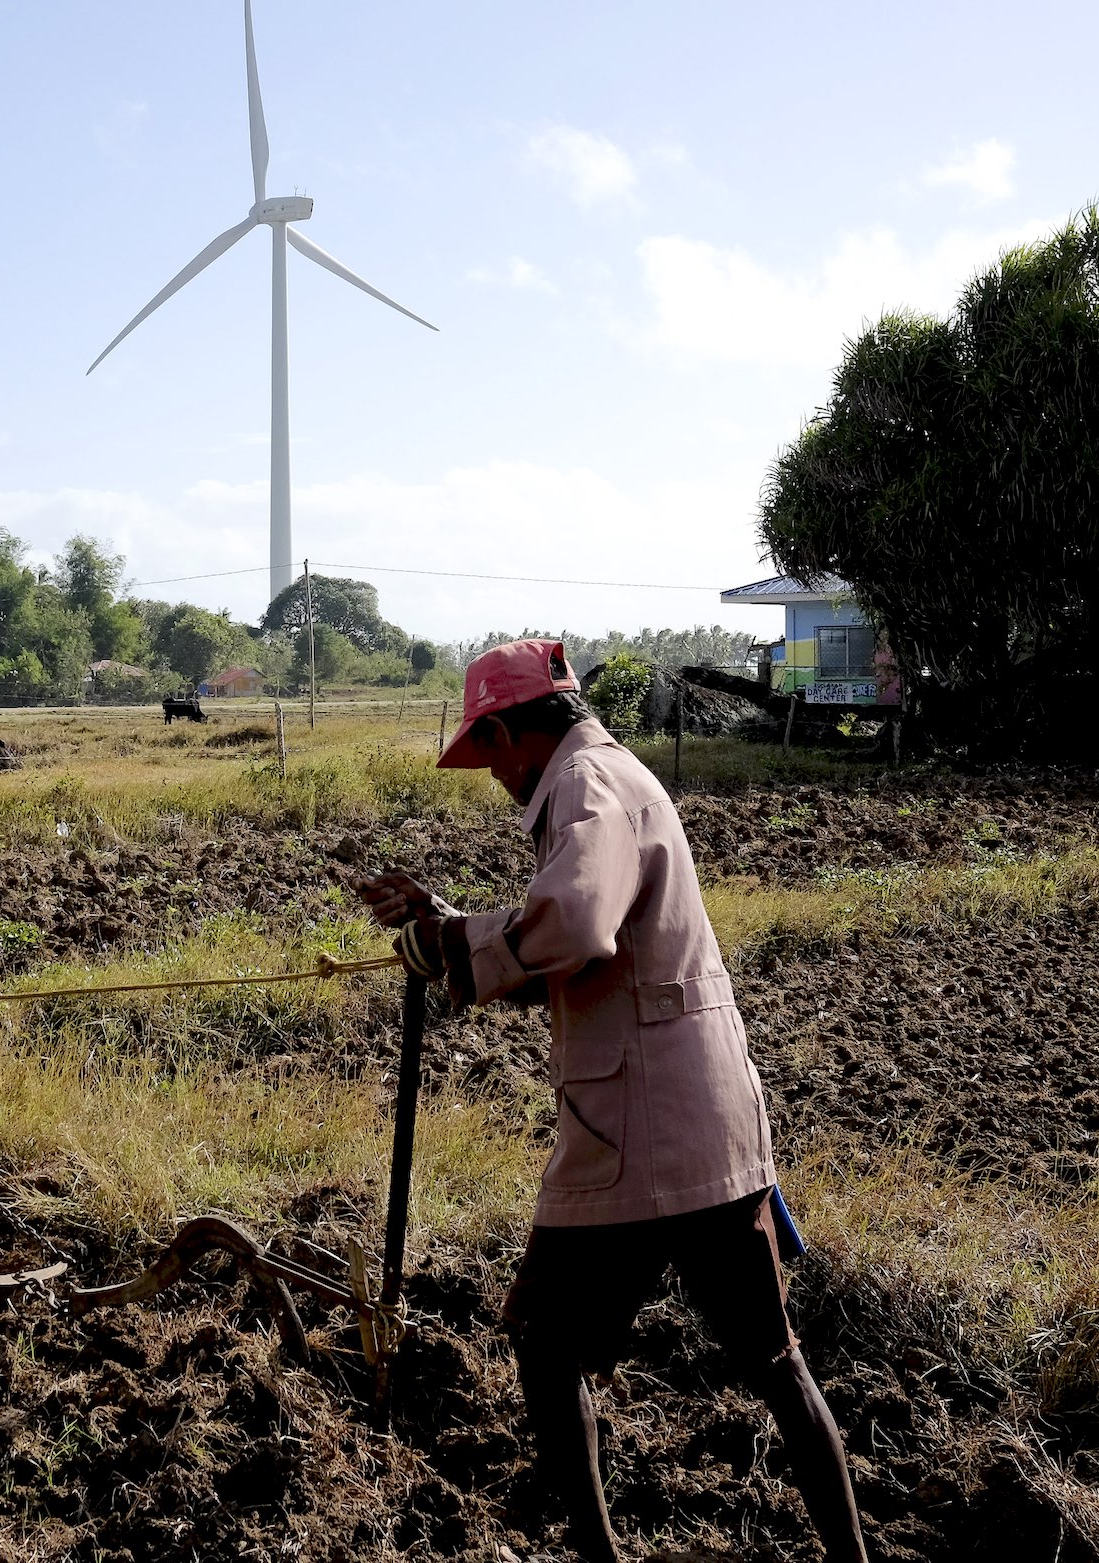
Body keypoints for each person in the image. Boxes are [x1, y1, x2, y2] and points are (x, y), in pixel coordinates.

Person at [352, 638, 865, 1563]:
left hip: (636, 1127)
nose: (496, 776)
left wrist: (452, 948)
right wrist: (454, 929)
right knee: (775, 1360)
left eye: (491, 754)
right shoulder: (617, 775)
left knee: (545, 1345)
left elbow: (578, 925)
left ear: (510, 731)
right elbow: (582, 936)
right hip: (709, 1121)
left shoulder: (582, 786)